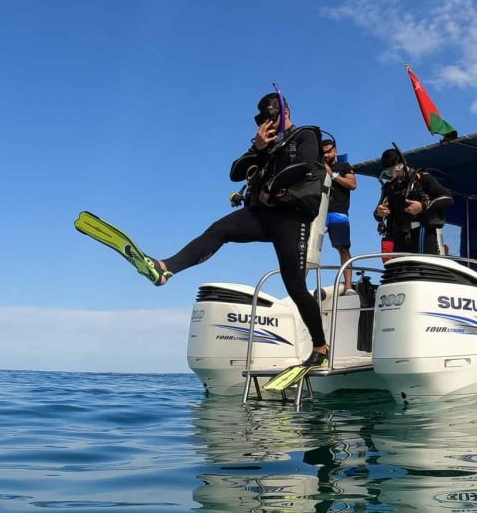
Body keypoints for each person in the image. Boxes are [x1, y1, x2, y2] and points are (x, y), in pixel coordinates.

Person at [127, 92, 331, 368]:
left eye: (271, 114)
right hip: (261, 214)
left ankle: (319, 348)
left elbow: (304, 165)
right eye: (262, 118)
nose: (267, 121)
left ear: (285, 110)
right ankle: (166, 268)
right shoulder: (265, 145)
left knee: (294, 285)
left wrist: (271, 191)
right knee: (220, 229)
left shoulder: (306, 135)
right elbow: (235, 173)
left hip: (291, 218)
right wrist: (258, 148)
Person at [374, 148, 453, 255]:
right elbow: (377, 215)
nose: (395, 174)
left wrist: (423, 206)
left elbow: (448, 198)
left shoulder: (422, 178)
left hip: (423, 234)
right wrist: (379, 212)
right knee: (398, 270)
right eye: (390, 172)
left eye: (397, 170)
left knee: (423, 268)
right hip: (400, 237)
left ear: (403, 164)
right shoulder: (389, 187)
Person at [322, 139, 358, 293]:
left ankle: (348, 285)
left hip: (338, 212)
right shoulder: (317, 166)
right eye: (323, 152)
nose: (326, 155)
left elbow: (353, 185)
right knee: (308, 246)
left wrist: (333, 175)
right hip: (319, 213)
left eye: (329, 151)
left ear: (335, 151)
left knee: (343, 248)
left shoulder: (344, 166)